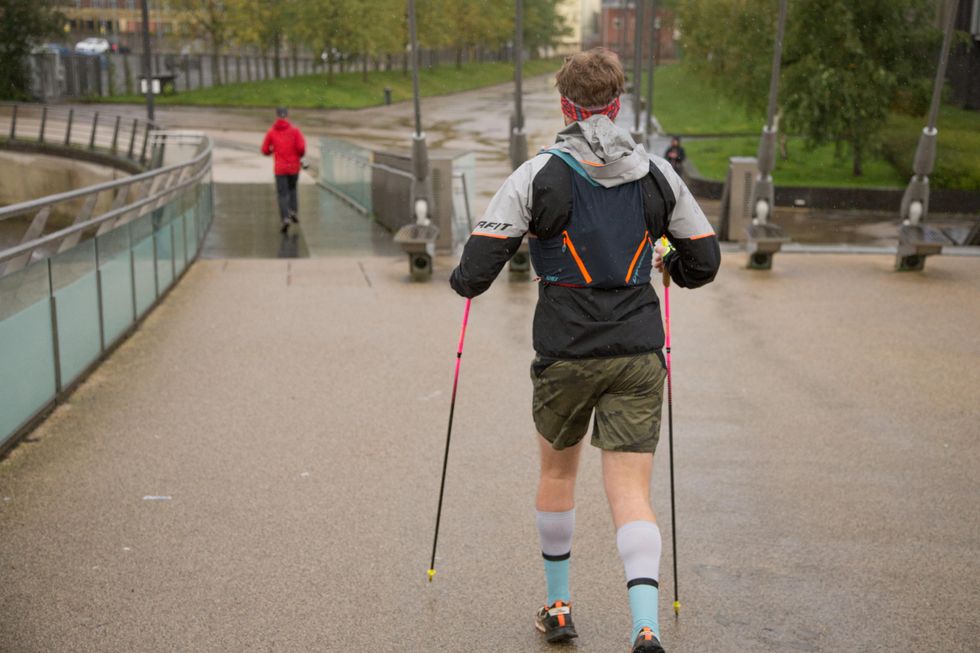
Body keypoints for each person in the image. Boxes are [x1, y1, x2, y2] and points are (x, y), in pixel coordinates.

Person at [449, 48, 720, 653]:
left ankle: (559, 607)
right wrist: (670, 265)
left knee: (557, 474)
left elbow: (474, 273)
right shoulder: (658, 175)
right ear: (616, 106)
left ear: (565, 107)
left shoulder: (538, 175)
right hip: (638, 351)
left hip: (565, 351)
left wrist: (472, 274)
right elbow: (703, 261)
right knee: (631, 492)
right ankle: (645, 626)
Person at [261, 107, 306, 233]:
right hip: (293, 167)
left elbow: (264, 150)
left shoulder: (271, 132)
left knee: (282, 194)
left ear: (276, 116)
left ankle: (285, 218)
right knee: (292, 189)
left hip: (280, 169)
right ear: (287, 115)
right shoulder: (295, 131)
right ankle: (293, 211)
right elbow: (301, 148)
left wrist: (271, 151)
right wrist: (299, 155)